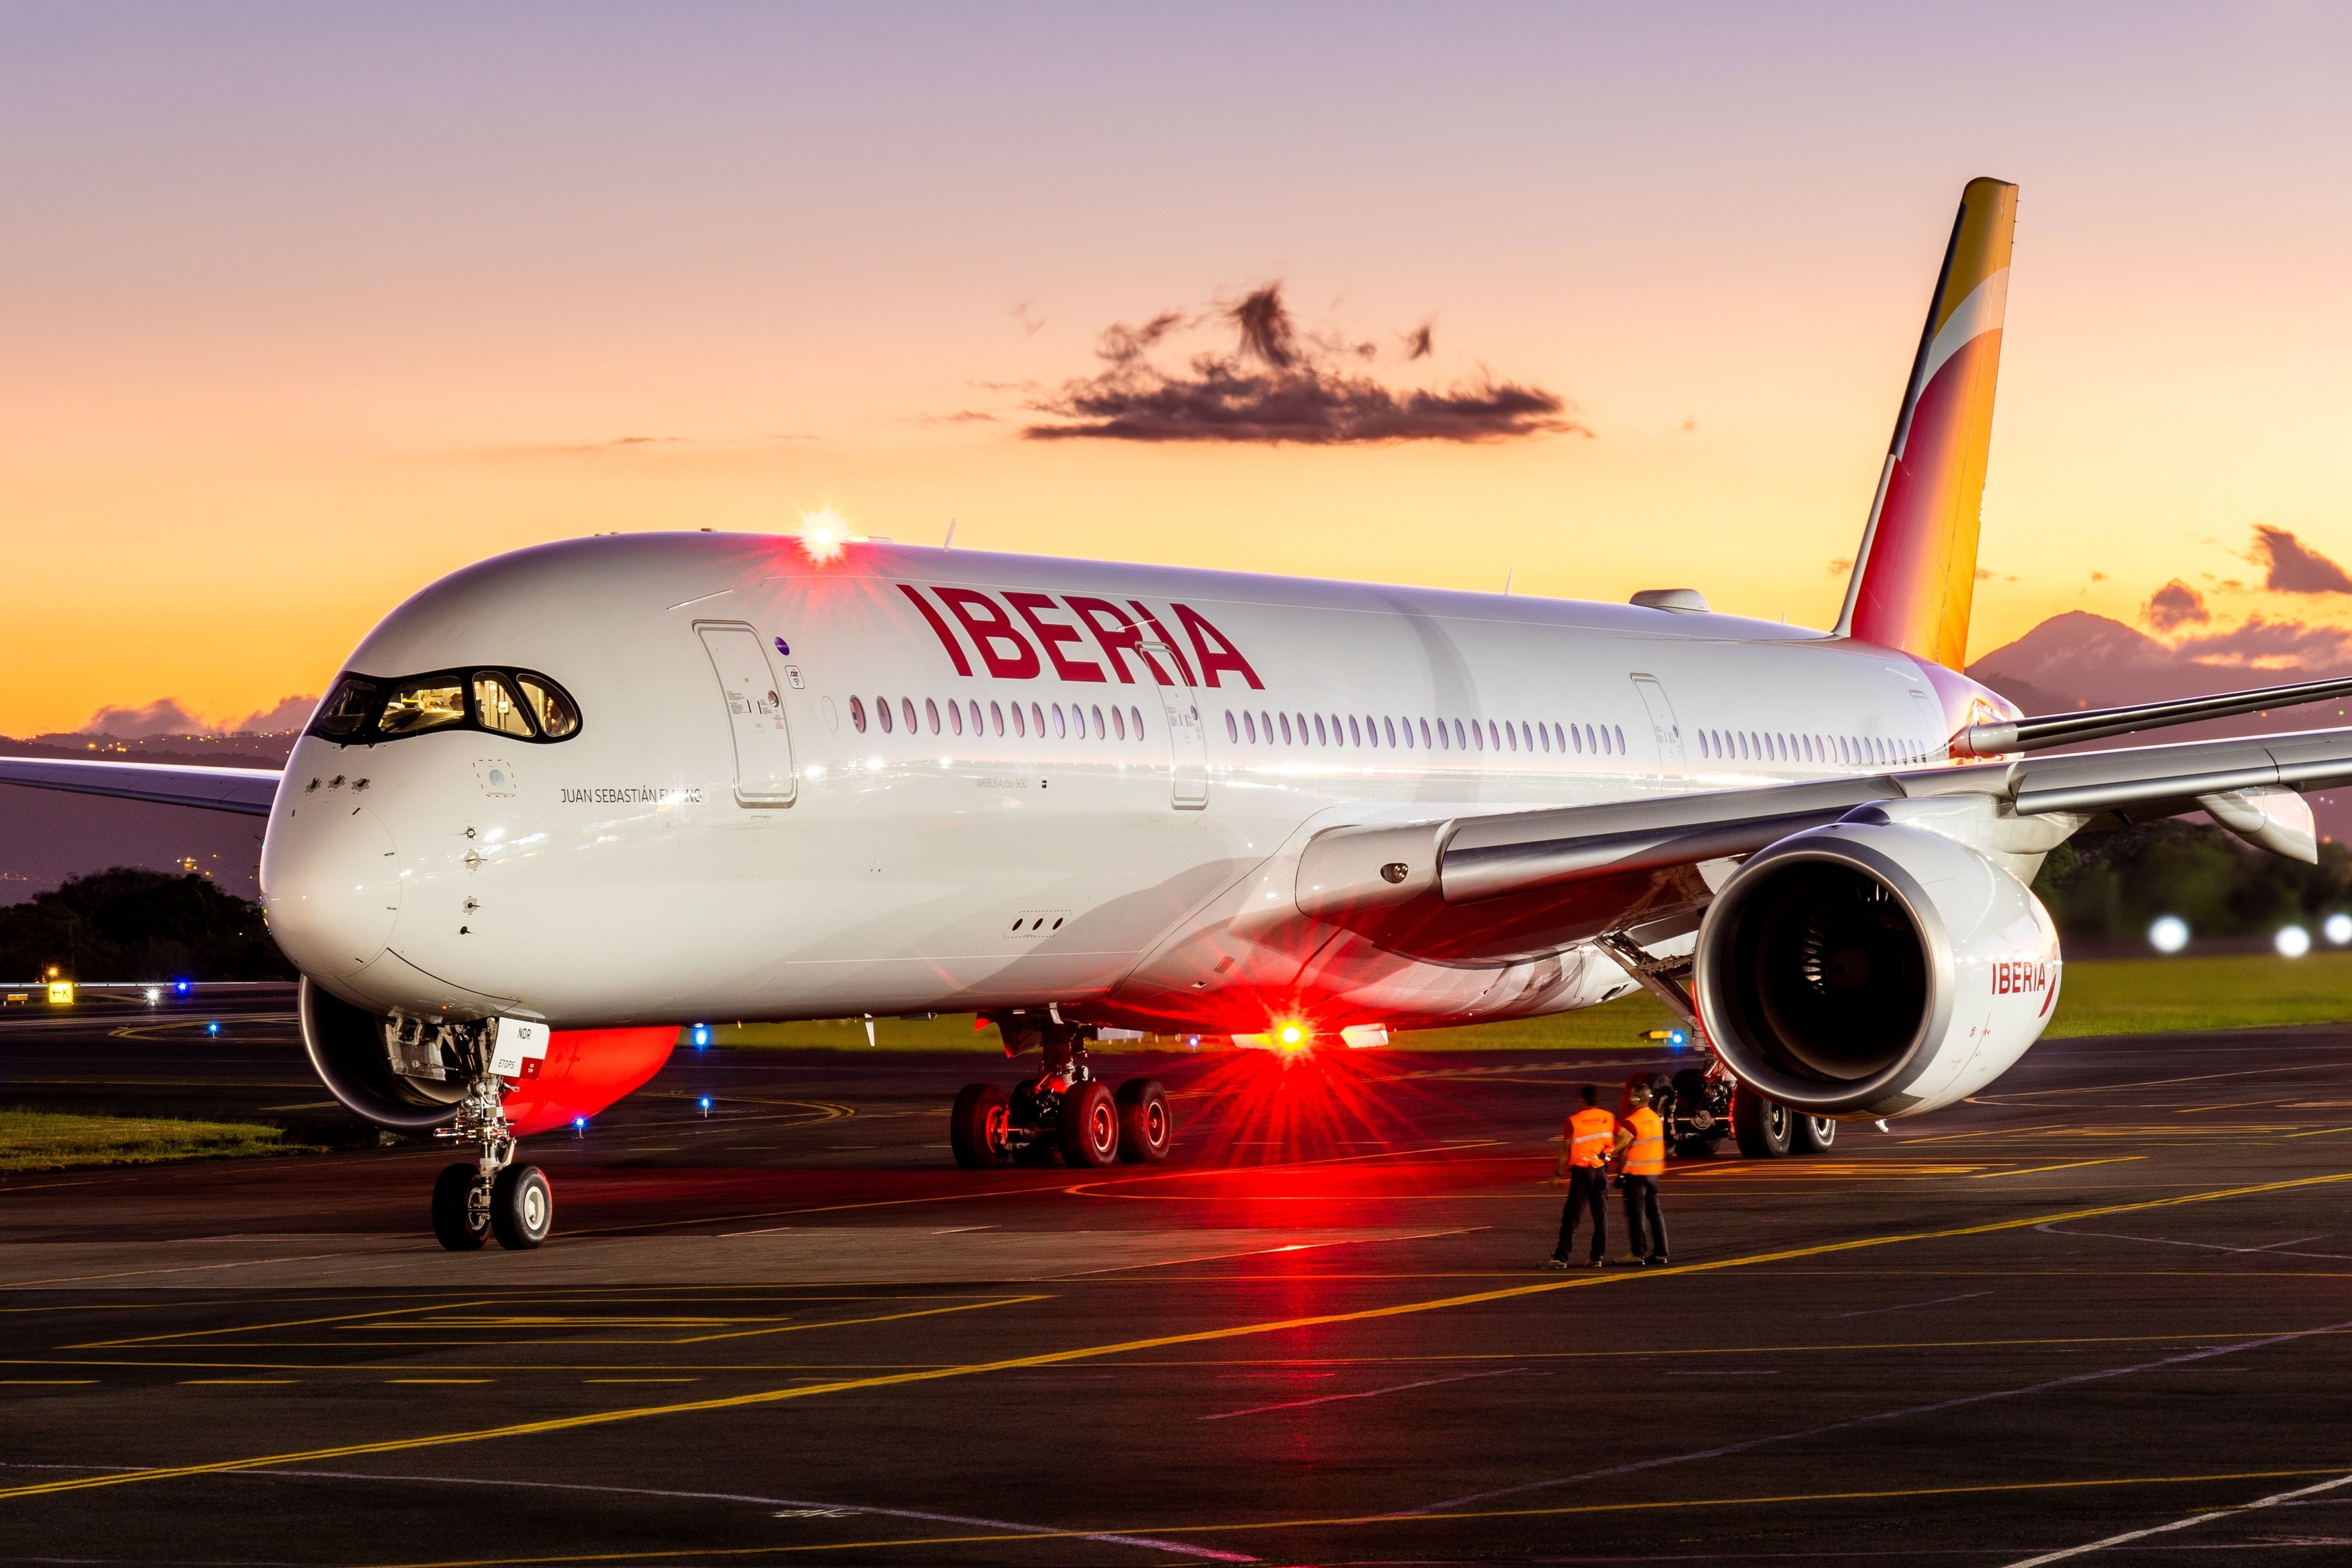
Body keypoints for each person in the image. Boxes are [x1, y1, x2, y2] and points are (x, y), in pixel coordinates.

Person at [1544, 1084, 1615, 1269]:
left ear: (1583, 1100)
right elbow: (1625, 1136)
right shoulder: (1608, 1117)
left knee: (1572, 1216)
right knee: (1600, 1216)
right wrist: (1608, 1155)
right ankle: (1597, 1257)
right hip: (1600, 1170)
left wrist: (1557, 1174)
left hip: (1582, 1172)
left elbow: (1565, 1151)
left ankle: (1561, 1257)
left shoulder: (1573, 1121)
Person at [1615, 1084, 1669, 1266]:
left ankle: (1637, 1253)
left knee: (1636, 1214)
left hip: (1636, 1175)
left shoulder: (1633, 1121)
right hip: (1653, 1173)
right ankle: (1661, 1252)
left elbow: (1620, 1147)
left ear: (1636, 1099)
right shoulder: (1656, 1119)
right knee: (1655, 1214)